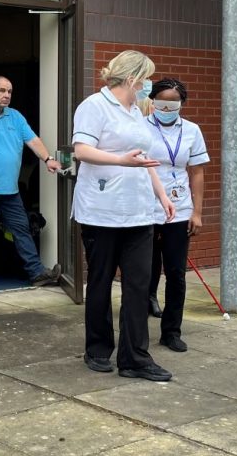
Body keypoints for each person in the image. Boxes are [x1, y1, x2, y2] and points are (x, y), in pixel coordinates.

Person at [72, 50, 176, 382]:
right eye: (146, 79)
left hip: (139, 211)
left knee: (138, 284)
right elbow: (82, 150)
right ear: (132, 79)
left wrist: (161, 194)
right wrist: (121, 162)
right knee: (101, 282)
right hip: (101, 211)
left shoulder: (137, 112)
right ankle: (98, 348)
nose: (148, 85)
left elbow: (143, 158)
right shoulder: (94, 106)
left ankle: (134, 358)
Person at [0, 76, 60, 290]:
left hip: (10, 190)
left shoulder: (15, 117)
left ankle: (36, 273)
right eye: (2, 90)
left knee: (22, 230)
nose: (6, 95)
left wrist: (48, 159)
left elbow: (33, 140)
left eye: (9, 91)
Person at [143, 78, 209, 351]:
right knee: (145, 271)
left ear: (182, 104)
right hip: (146, 209)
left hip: (179, 211)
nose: (167, 108)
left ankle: (171, 331)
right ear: (153, 101)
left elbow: (197, 172)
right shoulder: (140, 126)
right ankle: (138, 331)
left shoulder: (192, 130)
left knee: (176, 273)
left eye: (173, 104)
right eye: (162, 103)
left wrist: (197, 211)